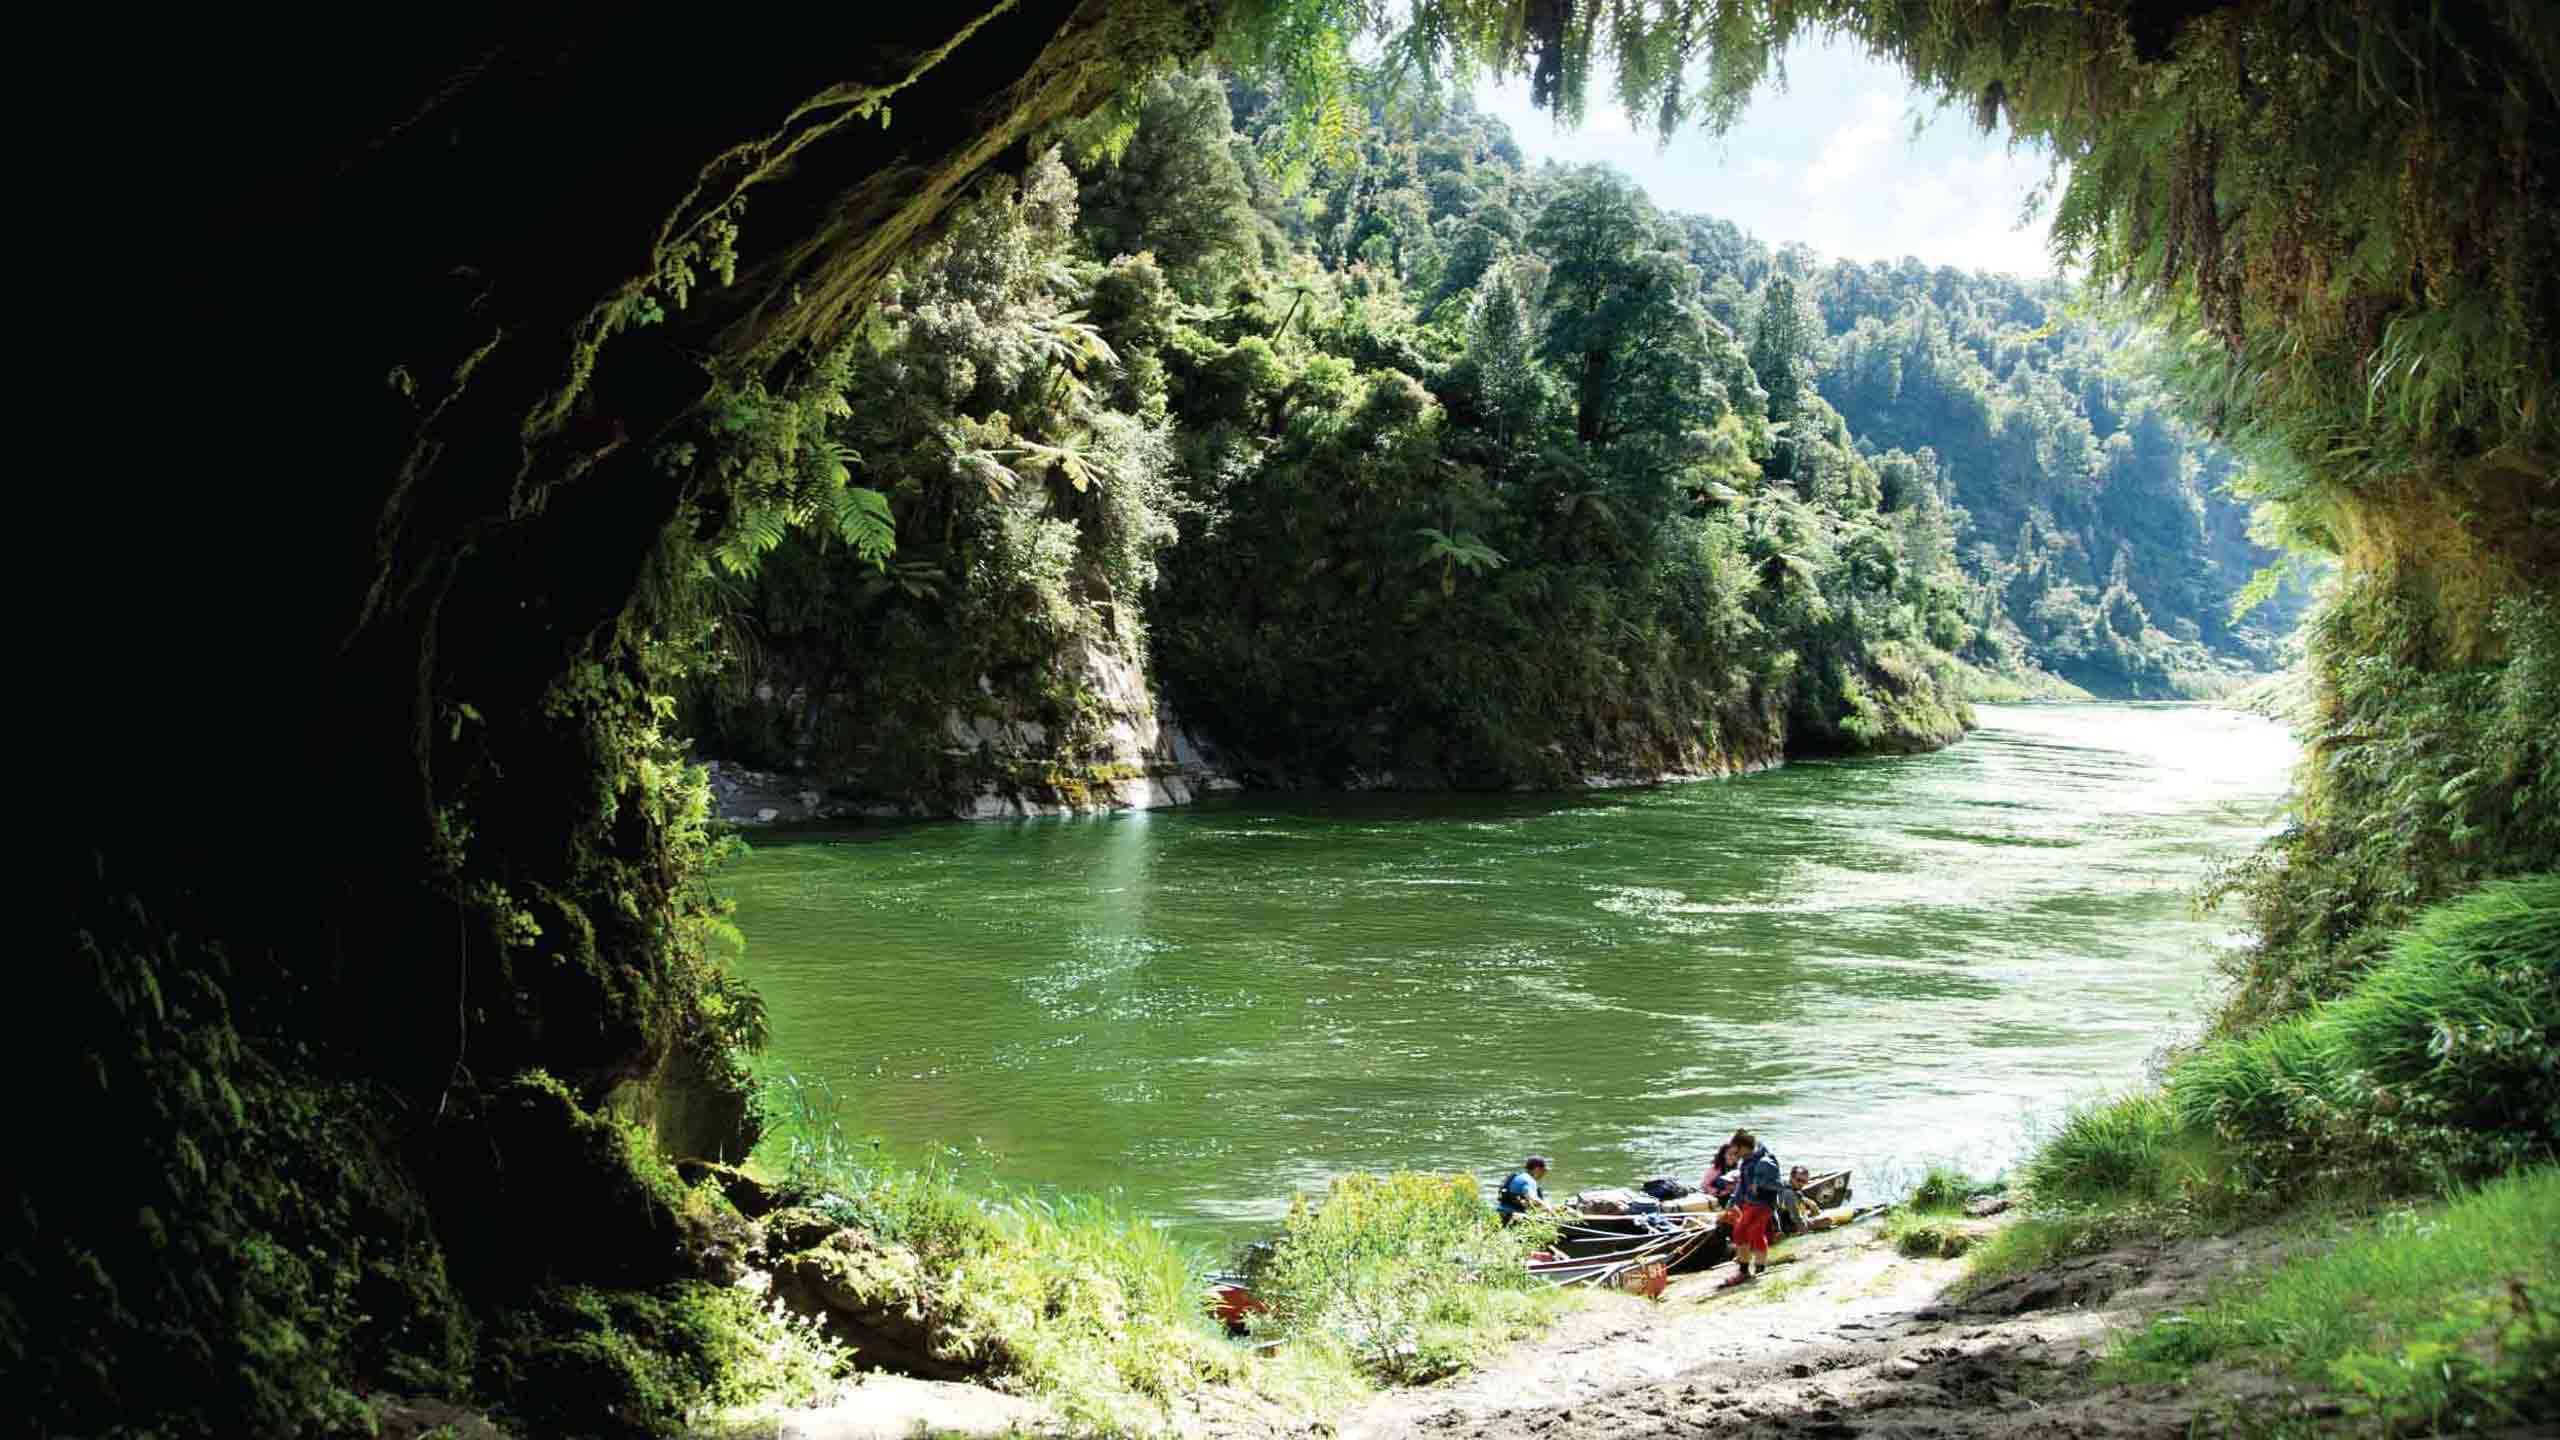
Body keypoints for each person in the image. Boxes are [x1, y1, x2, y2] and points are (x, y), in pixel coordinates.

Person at [1718, 1129, 1783, 1285]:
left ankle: (1743, 1270)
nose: (1735, 1154)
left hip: (1762, 1204)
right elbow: (1742, 1185)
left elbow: (1779, 1185)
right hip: (1750, 1203)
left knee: (1740, 1232)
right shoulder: (1746, 1161)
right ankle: (1760, 1267)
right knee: (1755, 1233)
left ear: (1745, 1147)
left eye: (1737, 1150)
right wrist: (1732, 1202)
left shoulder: (1765, 1162)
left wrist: (1760, 1184)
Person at [1497, 1155, 1553, 1225]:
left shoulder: (1520, 1176)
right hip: (1511, 1216)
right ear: (1537, 1169)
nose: (1544, 1174)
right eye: (1544, 1171)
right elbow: (1532, 1198)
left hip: (1500, 1213)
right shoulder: (1529, 1180)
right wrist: (1547, 1207)